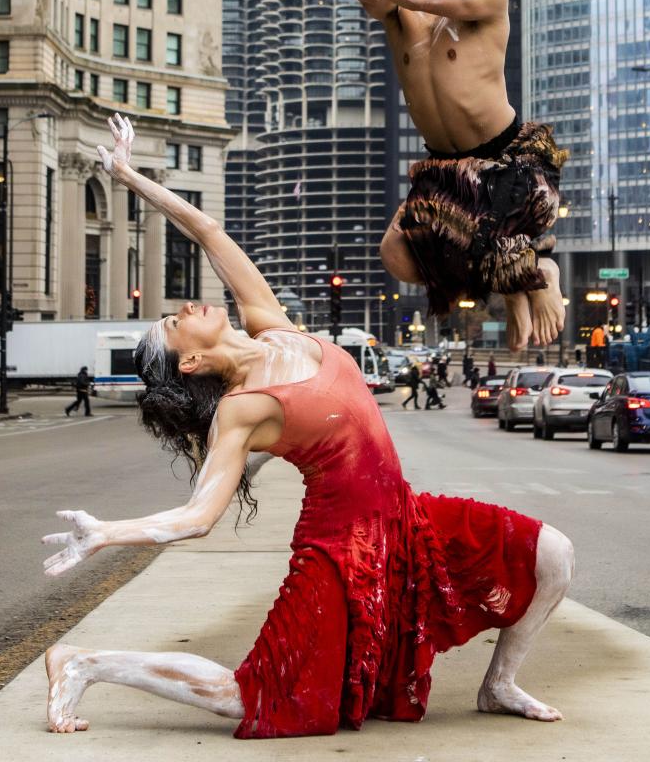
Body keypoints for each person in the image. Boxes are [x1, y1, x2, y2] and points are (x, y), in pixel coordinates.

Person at [42, 115, 571, 738]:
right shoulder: (244, 407)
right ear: (188, 360)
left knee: (552, 556)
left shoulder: (273, 326)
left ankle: (500, 683)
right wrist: (105, 533)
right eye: (172, 321)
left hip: (405, 522)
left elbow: (208, 230)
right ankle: (85, 663)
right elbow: (195, 518)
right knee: (257, 697)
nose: (184, 308)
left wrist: (129, 175)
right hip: (338, 552)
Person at [268, 0, 566, 351]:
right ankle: (513, 281)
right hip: (443, 166)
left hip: (507, 161)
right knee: (396, 255)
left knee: (483, 234)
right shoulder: (398, 10)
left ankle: (539, 271)